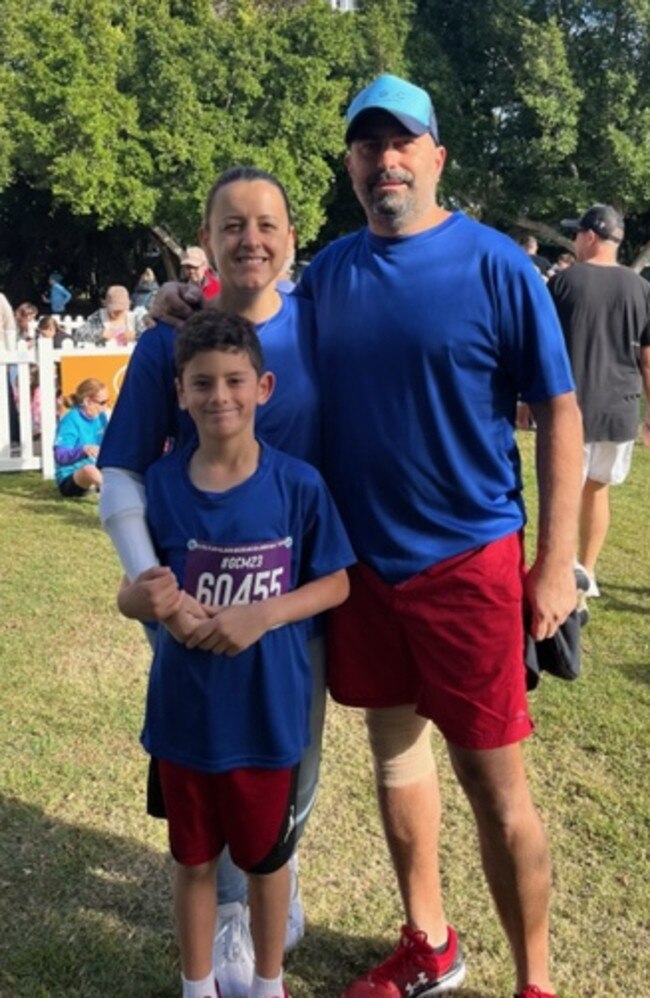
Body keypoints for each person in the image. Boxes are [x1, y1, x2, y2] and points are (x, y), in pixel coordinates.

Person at [139, 75, 584, 998]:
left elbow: (561, 408)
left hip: (470, 561)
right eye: (367, 146)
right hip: (365, 571)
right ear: (349, 165)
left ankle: (536, 981)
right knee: (396, 754)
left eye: (403, 143)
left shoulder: (496, 262)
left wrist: (554, 561)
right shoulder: (331, 275)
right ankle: (430, 941)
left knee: (495, 784)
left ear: (435, 156)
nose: (386, 161)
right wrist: (186, 304)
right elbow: (251, 315)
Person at [98, 166, 326, 997]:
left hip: (297, 595)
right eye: (231, 224)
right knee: (209, 755)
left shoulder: (320, 323)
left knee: (289, 750)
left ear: (292, 237)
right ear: (208, 238)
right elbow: (120, 471)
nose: (250, 239)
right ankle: (230, 914)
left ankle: (273, 887)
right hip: (196, 600)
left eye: (267, 223)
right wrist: (152, 586)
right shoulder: (170, 341)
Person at [116, 311, 352, 998]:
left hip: (268, 718)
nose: (220, 396)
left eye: (235, 381)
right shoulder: (158, 487)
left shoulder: (299, 485)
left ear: (265, 386)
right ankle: (197, 986)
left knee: (266, 861)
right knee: (192, 860)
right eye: (202, 384)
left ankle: (268, 981)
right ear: (180, 394)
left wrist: (263, 614)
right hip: (186, 719)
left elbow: (336, 580)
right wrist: (148, 602)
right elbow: (129, 596)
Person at [549, 204, 650, 605]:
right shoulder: (642, 288)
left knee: (565, 491)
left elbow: (544, 346)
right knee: (598, 491)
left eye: (577, 234)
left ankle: (566, 568)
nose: (575, 241)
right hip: (620, 407)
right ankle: (587, 571)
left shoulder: (565, 282)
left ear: (590, 237)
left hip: (573, 406)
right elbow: (647, 360)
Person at [53, 378, 109, 496]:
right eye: (103, 403)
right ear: (88, 401)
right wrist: (83, 450)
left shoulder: (101, 417)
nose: (106, 407)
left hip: (96, 469)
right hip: (71, 477)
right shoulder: (70, 420)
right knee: (88, 470)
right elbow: (60, 456)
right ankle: (113, 491)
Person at [74, 285, 148, 346]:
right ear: (107, 306)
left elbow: (149, 337)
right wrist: (100, 334)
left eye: (120, 310)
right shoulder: (99, 316)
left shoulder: (134, 318)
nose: (117, 313)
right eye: (114, 310)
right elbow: (78, 334)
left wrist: (135, 336)